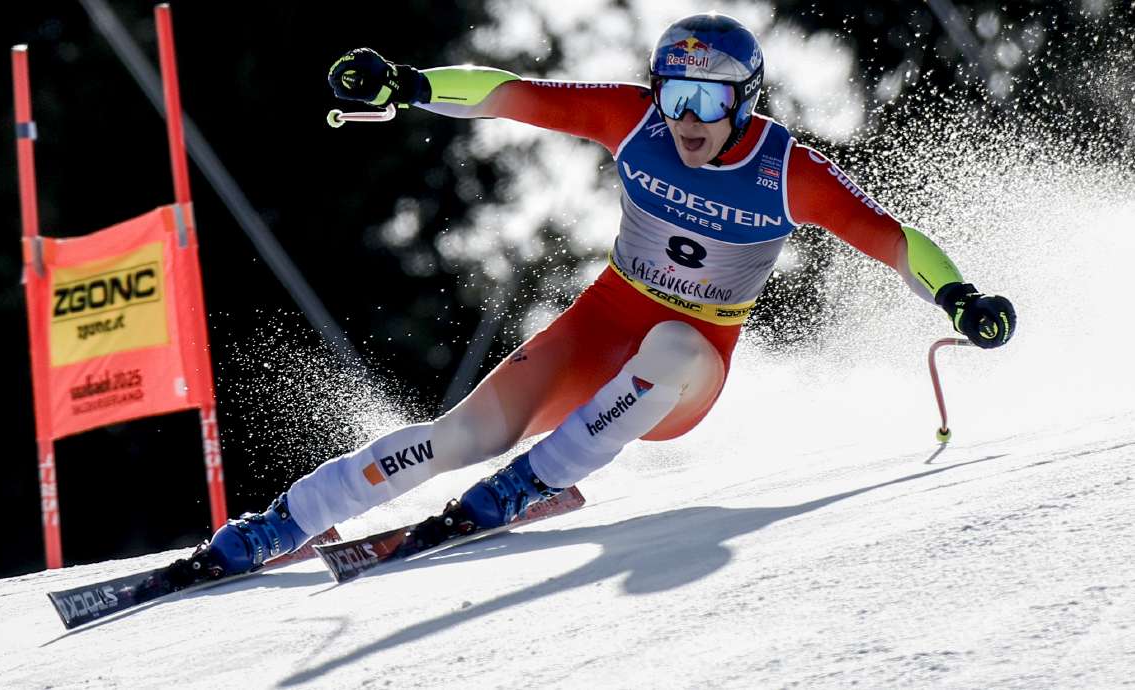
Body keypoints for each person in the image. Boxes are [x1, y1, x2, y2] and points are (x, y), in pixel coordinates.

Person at [202, 13, 1016, 576]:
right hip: (601, 324)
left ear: (746, 102)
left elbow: (893, 240)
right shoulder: (635, 122)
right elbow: (508, 93)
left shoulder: (786, 171)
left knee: (672, 347)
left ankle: (539, 478)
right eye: (674, 95)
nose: (687, 119)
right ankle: (284, 522)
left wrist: (959, 297)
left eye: (707, 101)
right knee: (462, 434)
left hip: (687, 369)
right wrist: (408, 84)